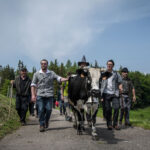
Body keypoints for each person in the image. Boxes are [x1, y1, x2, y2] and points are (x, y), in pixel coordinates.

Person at [31, 59, 68, 132]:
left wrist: (67, 79)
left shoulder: (51, 73)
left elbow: (59, 78)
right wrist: (33, 95)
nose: (43, 65)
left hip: (49, 95)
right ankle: (41, 124)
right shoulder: (36, 74)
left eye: (45, 64)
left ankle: (46, 121)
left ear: (47, 65)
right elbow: (33, 84)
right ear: (40, 65)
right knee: (41, 110)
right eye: (42, 64)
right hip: (40, 95)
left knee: (49, 109)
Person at [101, 60, 123, 130]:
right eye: (108, 64)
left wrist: (120, 88)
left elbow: (120, 82)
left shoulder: (116, 74)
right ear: (107, 65)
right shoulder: (103, 73)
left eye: (110, 64)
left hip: (115, 93)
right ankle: (109, 124)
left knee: (116, 108)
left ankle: (115, 124)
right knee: (108, 109)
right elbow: (99, 82)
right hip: (105, 93)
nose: (109, 65)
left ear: (113, 65)